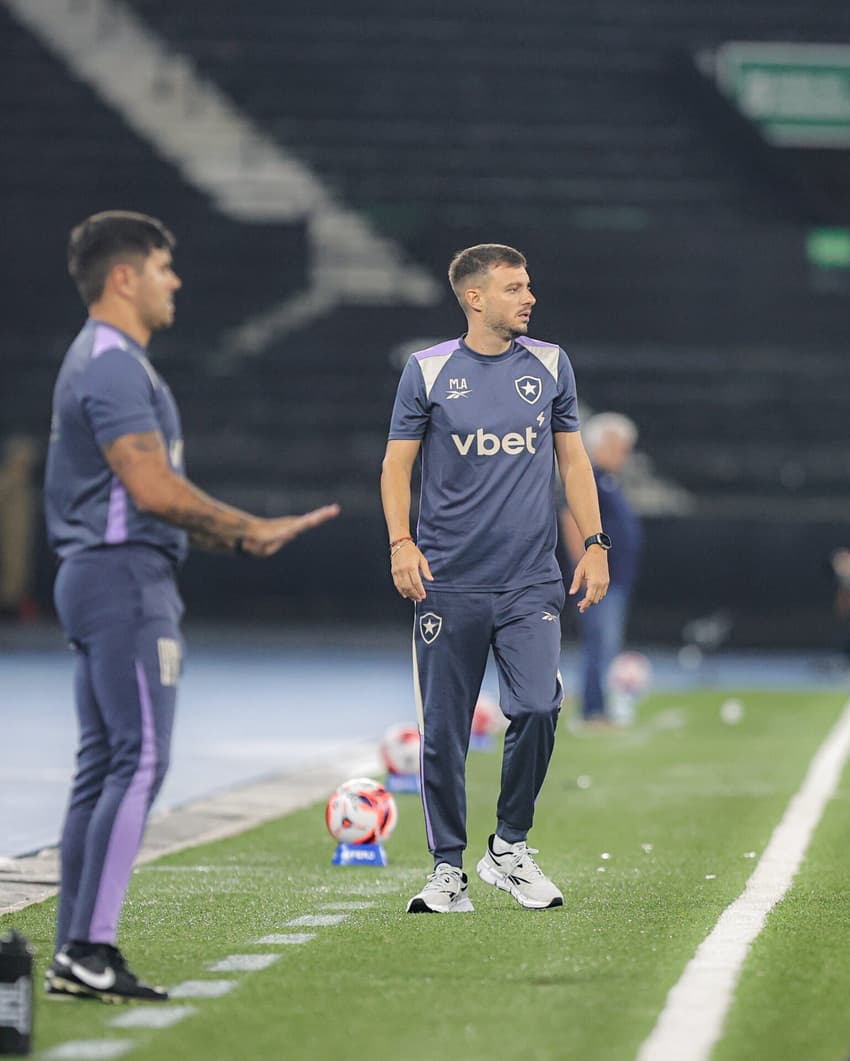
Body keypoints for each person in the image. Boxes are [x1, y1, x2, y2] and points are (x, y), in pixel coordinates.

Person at [43, 211, 339, 1002]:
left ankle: (77, 948)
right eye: (165, 267)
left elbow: (142, 494)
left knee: (102, 764)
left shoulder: (109, 362)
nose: (176, 281)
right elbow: (149, 489)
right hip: (121, 581)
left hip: (100, 575)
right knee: (138, 759)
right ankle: (88, 946)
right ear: (124, 277)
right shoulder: (111, 365)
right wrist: (247, 530)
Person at [380, 243, 610, 914]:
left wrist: (594, 544)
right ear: (475, 298)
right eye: (514, 287)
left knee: (538, 706)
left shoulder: (550, 364)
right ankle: (446, 869)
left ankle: (508, 847)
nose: (528, 296)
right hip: (445, 581)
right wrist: (400, 542)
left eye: (528, 284)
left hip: (529, 581)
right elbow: (396, 468)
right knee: (444, 731)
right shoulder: (425, 371)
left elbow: (574, 463)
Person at [560, 413, 643, 725]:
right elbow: (569, 517)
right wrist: (583, 564)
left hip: (616, 577)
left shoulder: (607, 480)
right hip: (599, 579)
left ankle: (597, 706)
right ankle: (592, 711)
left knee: (606, 644)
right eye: (620, 447)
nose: (625, 454)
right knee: (600, 643)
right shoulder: (590, 477)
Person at [0, 435, 39, 621]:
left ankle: (14, 606)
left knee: (18, 574)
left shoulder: (26, 486)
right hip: (8, 541)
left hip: (21, 543)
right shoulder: (7, 481)